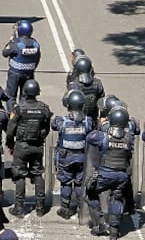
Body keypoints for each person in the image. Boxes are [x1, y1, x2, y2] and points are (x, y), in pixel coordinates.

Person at [86, 106, 135, 239]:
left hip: (105, 174)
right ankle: (114, 231)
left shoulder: (103, 136)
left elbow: (90, 137)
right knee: (117, 198)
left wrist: (101, 124)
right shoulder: (129, 137)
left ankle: (100, 223)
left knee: (90, 194)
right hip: (122, 176)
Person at [7, 79, 52, 218]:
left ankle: (19, 208)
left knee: (20, 175)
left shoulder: (19, 108)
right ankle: (40, 207)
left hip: (22, 146)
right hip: (37, 146)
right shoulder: (44, 108)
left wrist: (10, 144)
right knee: (38, 173)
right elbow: (46, 128)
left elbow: (11, 129)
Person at [52, 90, 92, 219]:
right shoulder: (88, 121)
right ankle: (81, 208)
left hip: (65, 159)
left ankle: (65, 210)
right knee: (80, 183)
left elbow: (53, 125)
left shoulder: (61, 121)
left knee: (66, 183)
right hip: (81, 158)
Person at [1, 20, 41, 103]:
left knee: (10, 96)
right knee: (25, 95)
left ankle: (10, 113)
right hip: (29, 72)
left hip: (15, 73)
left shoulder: (16, 44)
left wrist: (10, 41)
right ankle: (22, 112)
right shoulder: (35, 44)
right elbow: (37, 58)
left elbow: (5, 53)